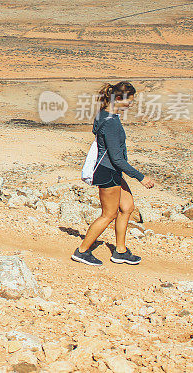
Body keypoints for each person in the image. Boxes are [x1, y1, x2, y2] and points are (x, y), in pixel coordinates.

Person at [72, 81, 155, 266]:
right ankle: (82, 251)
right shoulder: (111, 123)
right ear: (118, 98)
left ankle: (120, 251)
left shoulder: (105, 115)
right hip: (108, 171)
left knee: (127, 207)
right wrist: (141, 177)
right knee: (108, 214)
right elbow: (117, 159)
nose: (130, 105)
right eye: (129, 101)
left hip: (112, 170)